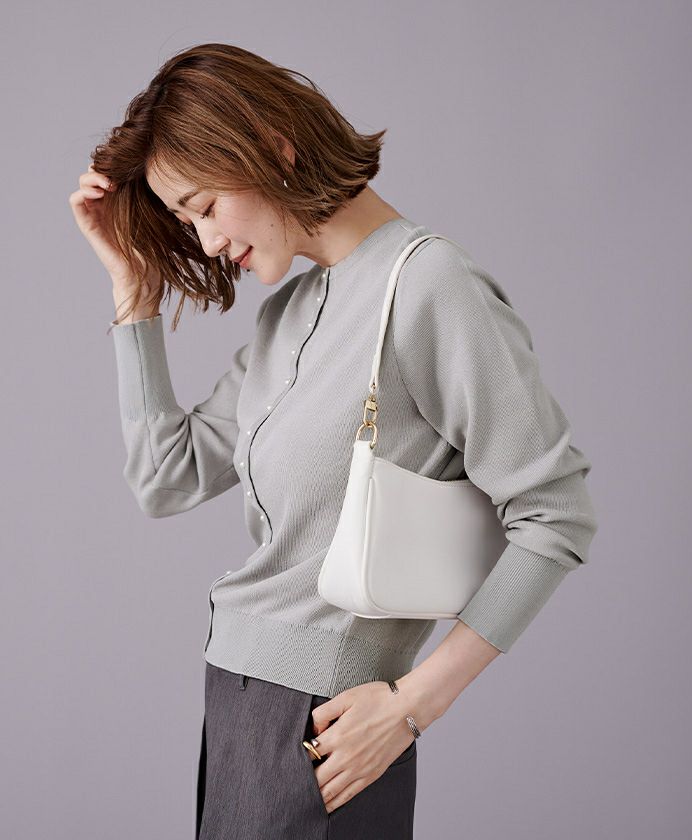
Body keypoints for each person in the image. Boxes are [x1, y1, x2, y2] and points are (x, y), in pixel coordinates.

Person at [68, 42, 598, 840]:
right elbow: (165, 477)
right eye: (185, 221)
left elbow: (556, 514)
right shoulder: (289, 314)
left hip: (323, 726)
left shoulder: (427, 286)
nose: (205, 243)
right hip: (238, 706)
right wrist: (133, 296)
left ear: (274, 146)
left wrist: (412, 706)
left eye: (204, 207)